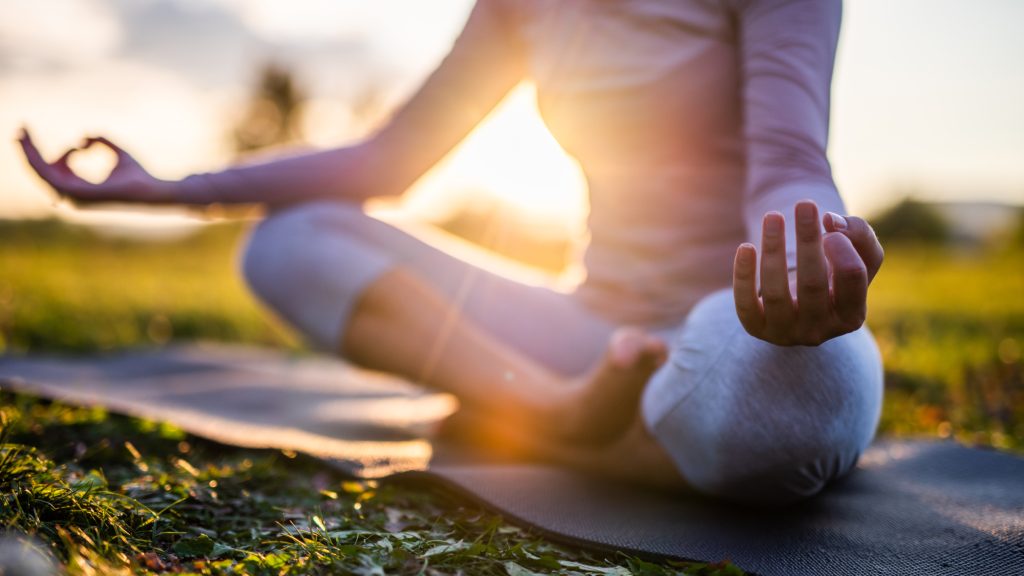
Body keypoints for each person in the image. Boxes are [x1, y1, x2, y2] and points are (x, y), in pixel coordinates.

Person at [19, 0, 884, 506]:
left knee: (798, 402)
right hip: (591, 333)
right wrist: (165, 188)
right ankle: (558, 413)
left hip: (733, 328)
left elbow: (790, 162)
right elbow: (387, 162)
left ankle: (569, 428)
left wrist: (813, 255)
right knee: (289, 239)